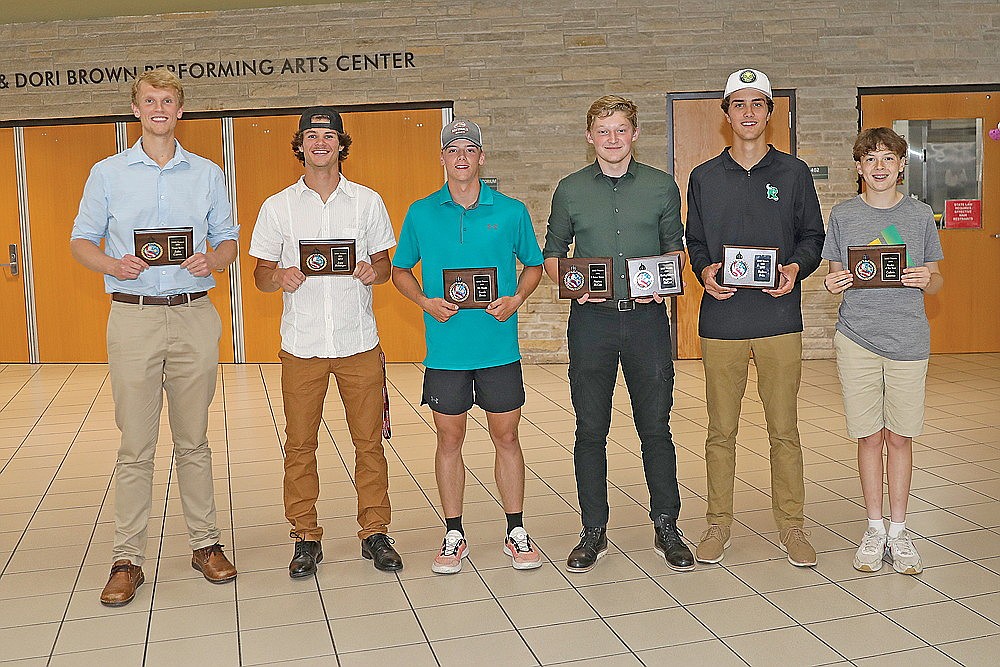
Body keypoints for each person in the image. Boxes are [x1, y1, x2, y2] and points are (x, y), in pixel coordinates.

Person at [70, 68, 239, 607]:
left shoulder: (208, 174)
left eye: (168, 100)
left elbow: (230, 242)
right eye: (149, 101)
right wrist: (113, 265)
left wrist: (211, 258)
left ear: (180, 110)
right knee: (135, 445)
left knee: (194, 440)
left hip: (193, 314)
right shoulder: (107, 173)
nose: (159, 108)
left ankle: (205, 543)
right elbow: (80, 241)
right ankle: (128, 558)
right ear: (136, 110)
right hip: (134, 317)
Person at [543, 95, 695, 573]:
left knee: (656, 427)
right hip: (592, 322)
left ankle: (667, 525)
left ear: (635, 134)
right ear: (590, 137)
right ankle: (593, 530)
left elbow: (677, 251)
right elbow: (552, 254)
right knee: (590, 429)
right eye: (603, 131)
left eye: (621, 130)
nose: (613, 139)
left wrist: (665, 283)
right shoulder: (569, 190)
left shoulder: (661, 186)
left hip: (648, 322)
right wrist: (571, 284)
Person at [249, 107, 403, 577]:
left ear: (341, 143)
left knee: (369, 443)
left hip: (358, 343)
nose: (320, 143)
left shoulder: (367, 202)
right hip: (303, 345)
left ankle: (374, 531)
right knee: (299, 446)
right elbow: (258, 276)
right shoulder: (278, 207)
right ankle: (305, 536)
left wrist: (369, 272)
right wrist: (279, 275)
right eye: (311, 136)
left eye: (328, 135)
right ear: (300, 145)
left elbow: (386, 268)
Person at [685, 68, 826, 567]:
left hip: (779, 317)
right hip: (721, 319)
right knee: (719, 431)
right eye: (738, 104)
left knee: (783, 429)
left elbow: (813, 237)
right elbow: (694, 240)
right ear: (726, 114)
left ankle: (792, 524)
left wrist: (795, 267)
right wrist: (704, 270)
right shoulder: (703, 177)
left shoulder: (794, 173)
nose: (748, 112)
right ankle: (717, 523)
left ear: (770, 113)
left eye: (757, 104)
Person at [392, 119, 544, 574]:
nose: (461, 156)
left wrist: (515, 298)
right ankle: (453, 532)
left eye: (470, 149)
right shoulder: (421, 213)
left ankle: (516, 529)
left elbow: (533, 266)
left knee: (507, 437)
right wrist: (424, 301)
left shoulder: (511, 211)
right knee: (449, 439)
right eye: (452, 149)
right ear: (441, 158)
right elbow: (400, 270)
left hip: (498, 349)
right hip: (446, 352)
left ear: (482, 157)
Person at [822, 127, 943, 575]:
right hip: (856, 339)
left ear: (900, 167)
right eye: (870, 159)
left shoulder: (919, 215)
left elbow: (936, 276)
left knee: (900, 436)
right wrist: (832, 282)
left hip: (909, 340)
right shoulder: (844, 215)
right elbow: (836, 275)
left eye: (887, 159)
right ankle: (874, 528)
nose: (879, 167)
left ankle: (899, 530)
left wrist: (928, 280)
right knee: (869, 436)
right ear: (858, 167)